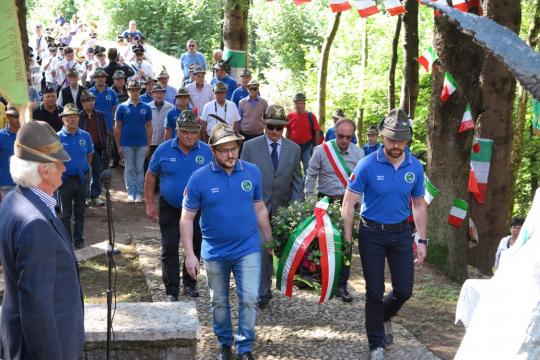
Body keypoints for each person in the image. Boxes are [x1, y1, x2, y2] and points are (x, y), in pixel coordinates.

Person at [181, 122, 273, 360]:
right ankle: (224, 343)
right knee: (219, 302)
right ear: (212, 150)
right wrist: (190, 254)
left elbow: (260, 208)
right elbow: (187, 217)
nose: (230, 154)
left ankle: (245, 347)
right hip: (215, 252)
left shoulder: (252, 172)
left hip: (248, 248)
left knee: (250, 298)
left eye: (234, 148)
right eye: (224, 150)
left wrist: (270, 241)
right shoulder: (199, 178)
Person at [341, 108, 427, 360]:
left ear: (407, 140)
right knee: (374, 291)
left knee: (404, 290)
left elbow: (419, 204)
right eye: (391, 140)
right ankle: (375, 342)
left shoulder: (415, 167)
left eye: (401, 140)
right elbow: (349, 202)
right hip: (371, 234)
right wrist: (348, 236)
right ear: (382, 137)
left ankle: (384, 315)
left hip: (401, 233)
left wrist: (421, 239)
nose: (396, 145)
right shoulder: (367, 165)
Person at [0, 120, 84, 360]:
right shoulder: (35, 223)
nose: (64, 169)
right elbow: (36, 307)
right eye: (59, 163)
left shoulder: (13, 200)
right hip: (42, 348)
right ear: (43, 169)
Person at [240, 104, 303, 309]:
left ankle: (274, 284)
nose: (274, 131)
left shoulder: (294, 149)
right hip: (257, 210)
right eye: (271, 126)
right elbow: (243, 178)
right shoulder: (250, 147)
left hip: (282, 211)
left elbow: (297, 182)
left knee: (277, 251)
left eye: (279, 127)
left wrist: (296, 210)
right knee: (260, 247)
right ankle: (262, 290)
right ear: (264, 125)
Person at [145, 111, 212, 301]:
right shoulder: (163, 150)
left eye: (193, 132)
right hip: (170, 207)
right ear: (177, 131)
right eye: (185, 132)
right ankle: (171, 290)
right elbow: (150, 176)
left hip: (198, 209)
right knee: (170, 247)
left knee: (195, 245)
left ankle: (190, 284)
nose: (189, 136)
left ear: (199, 132)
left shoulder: (207, 151)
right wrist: (149, 203)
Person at [305, 117, 364, 303]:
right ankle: (323, 281)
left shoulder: (359, 154)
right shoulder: (321, 151)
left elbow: (363, 183)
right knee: (324, 243)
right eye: (340, 136)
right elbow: (311, 174)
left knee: (346, 245)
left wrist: (361, 207)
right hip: (326, 203)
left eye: (348, 137)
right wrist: (309, 201)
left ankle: (341, 285)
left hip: (349, 205)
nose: (344, 141)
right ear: (334, 133)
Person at [57, 104, 94, 249]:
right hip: (64, 181)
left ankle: (79, 240)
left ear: (78, 118)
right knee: (65, 214)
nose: (72, 120)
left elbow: (89, 155)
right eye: (69, 117)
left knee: (80, 212)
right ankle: (66, 241)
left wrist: (83, 169)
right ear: (63, 120)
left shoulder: (85, 135)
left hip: (82, 179)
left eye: (75, 117)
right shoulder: (57, 137)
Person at [114, 80, 152, 202]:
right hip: (126, 143)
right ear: (128, 91)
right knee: (129, 168)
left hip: (142, 143)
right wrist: (118, 145)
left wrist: (148, 145)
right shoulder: (121, 107)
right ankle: (131, 193)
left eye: (136, 90)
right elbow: (117, 127)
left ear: (139, 91)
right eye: (132, 90)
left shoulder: (146, 107)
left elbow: (149, 127)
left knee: (140, 169)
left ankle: (139, 193)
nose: (134, 92)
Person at [79, 89, 111, 207]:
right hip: (83, 151)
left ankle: (95, 195)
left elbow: (105, 132)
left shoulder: (100, 115)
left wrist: (106, 147)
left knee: (97, 173)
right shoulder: (78, 116)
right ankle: (86, 196)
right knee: (86, 174)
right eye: (88, 101)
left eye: (93, 100)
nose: (91, 103)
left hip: (97, 149)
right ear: (83, 103)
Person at [286, 93, 320, 172]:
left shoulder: (311, 116)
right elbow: (288, 131)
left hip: (307, 146)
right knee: (294, 167)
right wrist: (287, 145)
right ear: (294, 104)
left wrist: (316, 147)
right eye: (297, 103)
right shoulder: (290, 116)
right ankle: (297, 183)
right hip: (294, 146)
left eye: (301, 103)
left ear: (304, 104)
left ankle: (308, 183)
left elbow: (317, 131)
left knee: (307, 168)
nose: (299, 105)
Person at [148, 83, 174, 157]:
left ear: (164, 94)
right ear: (152, 94)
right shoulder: (147, 107)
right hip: (151, 142)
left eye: (161, 92)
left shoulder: (171, 107)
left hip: (164, 142)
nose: (159, 95)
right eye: (157, 93)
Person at [0, 105, 20, 200]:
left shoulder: (28, 135)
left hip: (25, 184)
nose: (18, 118)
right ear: (8, 117)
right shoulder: (1, 136)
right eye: (14, 116)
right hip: (6, 184)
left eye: (19, 115)